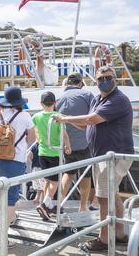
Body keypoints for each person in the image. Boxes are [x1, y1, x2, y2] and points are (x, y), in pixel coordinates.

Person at [54, 65, 134, 251]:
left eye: (108, 77)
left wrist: (65, 119)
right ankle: (120, 234)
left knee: (103, 197)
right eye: (100, 78)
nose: (104, 81)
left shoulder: (118, 99)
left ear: (115, 79)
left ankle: (104, 239)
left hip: (114, 156)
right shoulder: (97, 99)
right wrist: (72, 122)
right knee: (112, 195)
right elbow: (87, 125)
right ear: (95, 82)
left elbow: (92, 119)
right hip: (102, 156)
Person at [0, 86, 36, 225]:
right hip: (14, 161)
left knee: (3, 191)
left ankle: (11, 217)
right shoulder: (24, 116)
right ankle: (3, 235)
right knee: (11, 196)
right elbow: (32, 139)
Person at [56, 72, 95, 212]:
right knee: (85, 175)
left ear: (67, 84)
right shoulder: (87, 95)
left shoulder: (59, 98)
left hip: (67, 144)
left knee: (69, 173)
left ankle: (59, 203)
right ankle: (82, 206)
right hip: (85, 143)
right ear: (80, 83)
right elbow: (94, 117)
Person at [33, 91, 71, 220]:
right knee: (55, 181)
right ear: (55, 103)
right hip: (55, 152)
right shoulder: (57, 116)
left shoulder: (37, 116)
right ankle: (45, 204)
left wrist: (39, 139)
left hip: (42, 152)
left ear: (41, 103)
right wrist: (68, 146)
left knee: (47, 180)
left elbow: (34, 130)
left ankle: (45, 203)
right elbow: (64, 134)